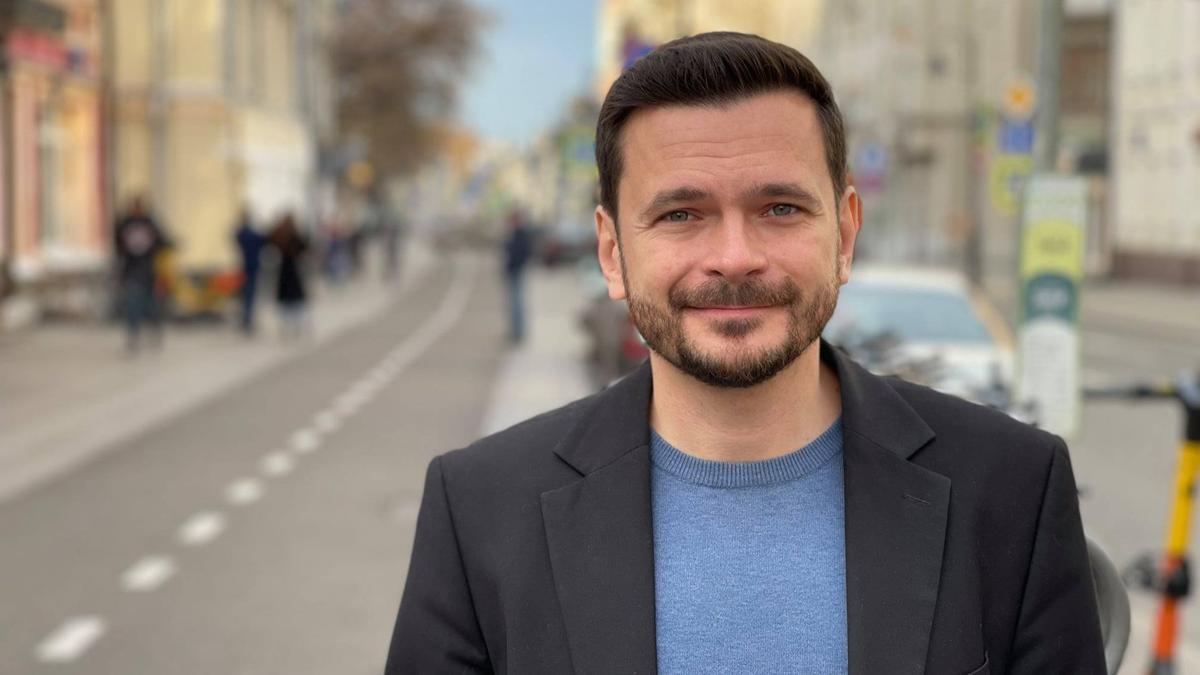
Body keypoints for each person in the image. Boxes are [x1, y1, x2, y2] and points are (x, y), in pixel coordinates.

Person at [386, 32, 1105, 675]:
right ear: (611, 251)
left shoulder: (1013, 487)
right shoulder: (481, 509)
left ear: (845, 234)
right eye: (681, 214)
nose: (734, 257)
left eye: (780, 209)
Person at [113, 194, 168, 353]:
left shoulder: (149, 223)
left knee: (151, 304)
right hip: (131, 270)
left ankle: (154, 329)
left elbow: (161, 241)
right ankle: (133, 332)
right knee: (133, 303)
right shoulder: (125, 224)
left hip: (148, 270)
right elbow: (118, 244)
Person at [267, 212, 309, 340]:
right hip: (292, 270)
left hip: (284, 270)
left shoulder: (280, 235)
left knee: (287, 302)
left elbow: (269, 242)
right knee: (296, 301)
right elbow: (304, 247)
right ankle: (296, 325)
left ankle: (286, 326)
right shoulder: (294, 235)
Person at [502, 208, 533, 343]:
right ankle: (516, 331)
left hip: (517, 271)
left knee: (517, 303)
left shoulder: (521, 235)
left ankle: (518, 332)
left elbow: (522, 253)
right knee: (514, 303)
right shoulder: (514, 234)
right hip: (514, 270)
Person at [233, 207, 265, 335]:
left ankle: (247, 319)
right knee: (249, 295)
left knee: (247, 295)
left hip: (246, 267)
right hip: (250, 267)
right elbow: (262, 241)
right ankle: (247, 319)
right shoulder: (249, 234)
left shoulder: (242, 233)